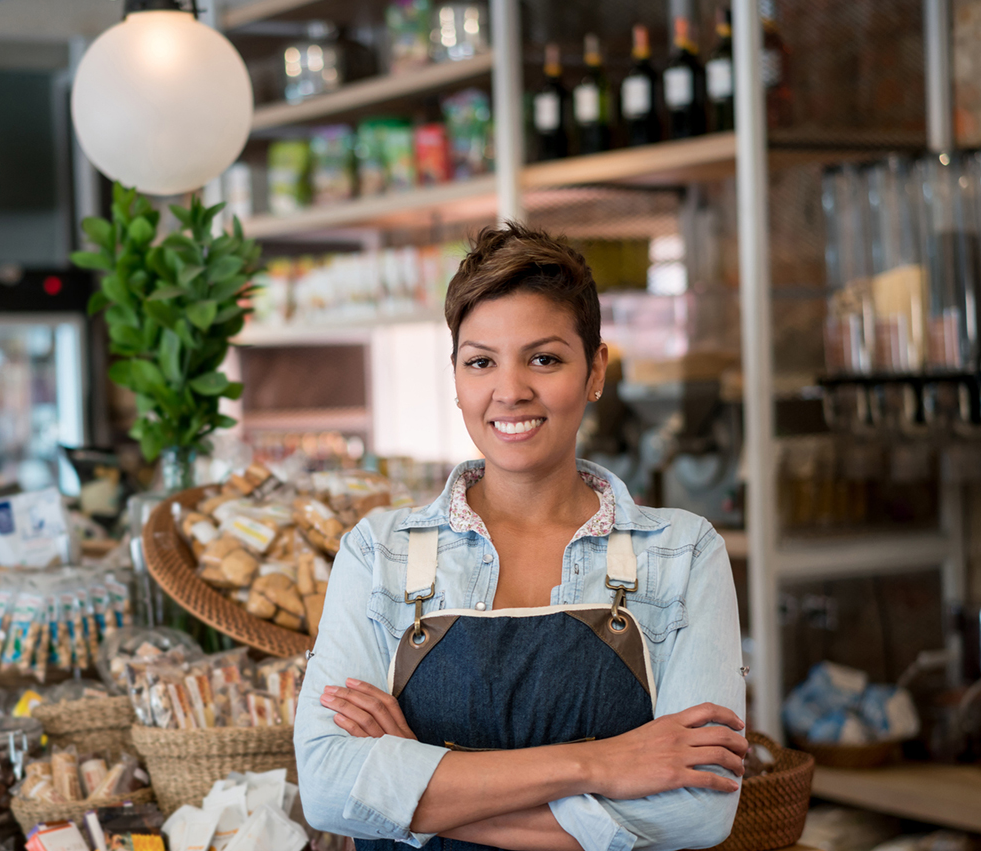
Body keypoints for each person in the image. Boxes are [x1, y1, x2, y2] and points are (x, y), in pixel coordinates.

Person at [294, 222, 748, 851]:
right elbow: (326, 791)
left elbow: (697, 811)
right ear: (455, 378)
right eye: (481, 361)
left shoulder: (682, 552)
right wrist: (602, 765)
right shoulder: (380, 552)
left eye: (544, 358)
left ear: (596, 370)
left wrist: (413, 787)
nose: (510, 391)